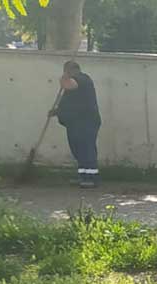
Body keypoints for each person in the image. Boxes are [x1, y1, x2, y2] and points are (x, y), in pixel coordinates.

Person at [49, 61, 101, 189]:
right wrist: (57, 111)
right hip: (75, 123)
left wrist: (64, 77)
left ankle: (91, 178)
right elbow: (70, 103)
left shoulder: (83, 79)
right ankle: (83, 176)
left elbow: (68, 85)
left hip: (86, 122)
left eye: (65, 71)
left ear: (71, 70)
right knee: (77, 150)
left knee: (86, 149)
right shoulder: (74, 82)